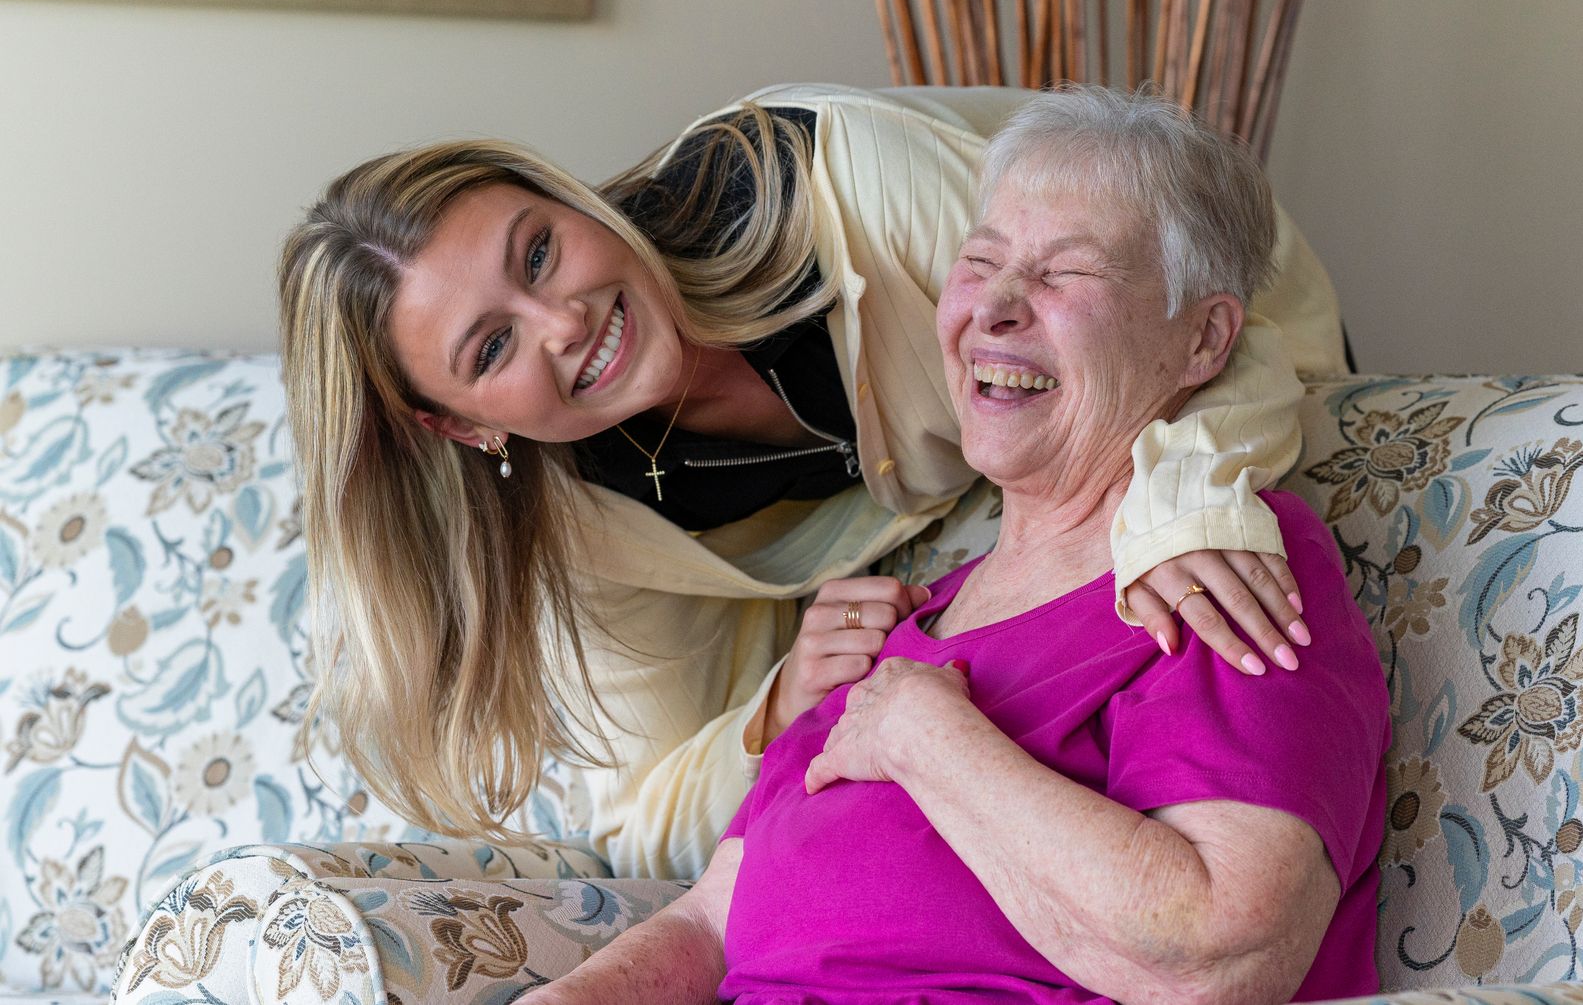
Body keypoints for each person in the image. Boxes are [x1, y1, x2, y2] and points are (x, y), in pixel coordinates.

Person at [276, 84, 1348, 879]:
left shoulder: (846, 186)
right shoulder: (577, 518)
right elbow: (642, 820)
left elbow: (1205, 337)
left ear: (572, 202)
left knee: (1202, 573)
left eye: (541, 251)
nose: (566, 322)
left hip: (1230, 349)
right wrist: (780, 703)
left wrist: (1188, 503)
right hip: (1013, 526)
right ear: (457, 424)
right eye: (490, 347)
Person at [522, 86, 1391, 1004]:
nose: (997, 308)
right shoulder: (903, 624)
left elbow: (1218, 954)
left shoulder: (1216, 582)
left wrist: (929, 740)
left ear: (1204, 338)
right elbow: (709, 922)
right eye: (979, 263)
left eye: (1065, 275)